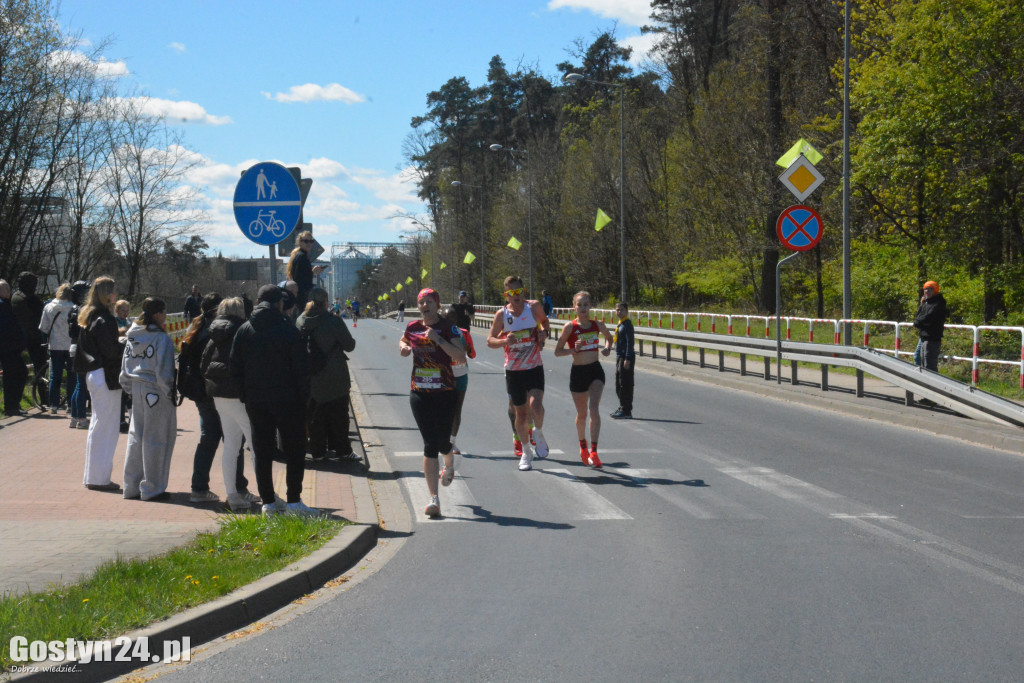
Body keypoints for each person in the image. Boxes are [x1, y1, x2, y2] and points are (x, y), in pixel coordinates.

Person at [230, 284, 318, 517]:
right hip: (289, 400)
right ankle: (294, 502)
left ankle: (268, 503)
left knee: (262, 451)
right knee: (295, 450)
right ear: (279, 303)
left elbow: (234, 367)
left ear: (258, 302)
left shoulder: (244, 330)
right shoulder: (288, 329)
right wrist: (303, 398)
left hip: (256, 400)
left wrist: (245, 395)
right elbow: (302, 369)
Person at [399, 288, 465, 517]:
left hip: (445, 392)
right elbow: (403, 339)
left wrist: (438, 340)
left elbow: (460, 356)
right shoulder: (412, 327)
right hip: (419, 392)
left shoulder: (448, 328)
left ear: (438, 305)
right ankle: (434, 499)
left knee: (442, 442)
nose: (425, 306)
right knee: (429, 444)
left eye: (429, 302)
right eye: (421, 302)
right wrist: (403, 347)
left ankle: (449, 461)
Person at [201, 297, 260, 512]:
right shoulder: (244, 331)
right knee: (256, 445)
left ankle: (232, 495)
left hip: (219, 396)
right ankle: (268, 496)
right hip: (240, 396)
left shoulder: (213, 333)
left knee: (231, 447)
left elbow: (204, 364)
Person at [487, 275, 550, 471]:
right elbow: (490, 340)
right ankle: (526, 451)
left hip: (534, 367)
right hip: (514, 371)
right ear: (506, 295)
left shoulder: (534, 307)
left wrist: (543, 333)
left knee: (536, 407)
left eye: (519, 291)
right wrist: (505, 341)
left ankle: (538, 432)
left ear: (524, 291)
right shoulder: (502, 315)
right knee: (521, 413)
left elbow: (545, 322)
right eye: (511, 293)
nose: (516, 296)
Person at [120, 298, 176, 501]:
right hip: (156, 390)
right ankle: (152, 487)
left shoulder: (133, 336)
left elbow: (125, 365)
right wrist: (169, 392)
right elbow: (164, 371)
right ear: (158, 314)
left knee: (136, 436)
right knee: (156, 438)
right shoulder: (161, 339)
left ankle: (131, 486)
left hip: (136, 387)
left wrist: (128, 387)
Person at [178, 293, 228, 503]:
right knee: (232, 439)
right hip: (214, 391)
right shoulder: (215, 331)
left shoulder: (195, 328)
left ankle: (199, 488)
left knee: (208, 437)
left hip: (198, 391)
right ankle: (237, 488)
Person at [554, 291, 614, 468]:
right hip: (578, 372)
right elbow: (557, 352)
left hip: (595, 370)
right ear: (574, 307)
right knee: (582, 414)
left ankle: (594, 451)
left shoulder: (597, 324)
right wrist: (573, 350)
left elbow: (610, 338)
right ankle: (583, 446)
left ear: (590, 306)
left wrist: (607, 348)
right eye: (579, 305)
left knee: (593, 409)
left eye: (586, 305)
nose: (583, 308)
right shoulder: (570, 327)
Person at [296, 287, 357, 461]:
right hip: (335, 376)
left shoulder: (300, 320)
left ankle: (318, 453)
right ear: (325, 302)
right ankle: (343, 451)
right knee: (339, 416)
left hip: (311, 377)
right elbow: (350, 346)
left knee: (315, 417)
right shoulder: (333, 321)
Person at [77, 276, 124, 491]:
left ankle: (93, 475)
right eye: (114, 291)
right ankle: (99, 478)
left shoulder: (89, 314)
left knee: (98, 425)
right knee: (107, 427)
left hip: (93, 373)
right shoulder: (105, 318)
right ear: (108, 294)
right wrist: (124, 345)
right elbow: (110, 350)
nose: (116, 294)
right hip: (105, 374)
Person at [39, 283, 76, 415]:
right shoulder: (74, 308)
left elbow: (43, 327)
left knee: (55, 376)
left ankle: (53, 404)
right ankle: (71, 404)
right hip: (71, 345)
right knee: (72, 376)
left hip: (55, 345)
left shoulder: (49, 307)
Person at [444, 305, 476, 457]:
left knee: (457, 409)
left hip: (461, 374)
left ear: (456, 320)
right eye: (446, 319)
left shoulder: (463, 333)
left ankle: (452, 441)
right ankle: (443, 439)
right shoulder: (438, 333)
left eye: (452, 319)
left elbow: (473, 354)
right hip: (444, 376)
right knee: (444, 409)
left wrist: (467, 349)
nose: (449, 321)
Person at [0, 279, 28, 418]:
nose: (8, 291)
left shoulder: (6, 304)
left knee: (15, 374)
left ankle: (13, 405)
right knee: (16, 374)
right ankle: (12, 406)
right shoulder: (2, 306)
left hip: (11, 347)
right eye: (5, 289)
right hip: (8, 347)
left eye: (8, 288)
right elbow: (8, 328)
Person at [67, 281, 92, 428]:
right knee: (82, 385)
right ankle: (81, 418)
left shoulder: (73, 309)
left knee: (79, 384)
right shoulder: (83, 310)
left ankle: (74, 417)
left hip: (74, 346)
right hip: (81, 348)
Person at [12, 271, 46, 376]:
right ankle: (40, 383)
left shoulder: (27, 297)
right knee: (39, 365)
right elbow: (30, 319)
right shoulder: (22, 298)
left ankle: (40, 382)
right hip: (31, 337)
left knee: (40, 364)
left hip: (33, 336)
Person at [913, 280, 948, 373]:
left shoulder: (938, 304)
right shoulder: (926, 303)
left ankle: (934, 382)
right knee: (921, 361)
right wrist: (921, 305)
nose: (926, 291)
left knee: (929, 365)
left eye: (929, 289)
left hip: (932, 338)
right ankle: (920, 379)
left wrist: (918, 322)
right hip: (924, 337)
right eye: (925, 289)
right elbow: (918, 317)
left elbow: (927, 319)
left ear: (935, 291)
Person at [286, 231, 325, 310]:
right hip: (302, 298)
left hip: (302, 297)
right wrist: (312, 273)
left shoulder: (301, 255)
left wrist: (313, 272)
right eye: (306, 241)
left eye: (311, 241)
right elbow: (299, 279)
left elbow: (302, 275)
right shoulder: (301, 256)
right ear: (300, 242)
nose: (309, 243)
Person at [611, 301, 636, 419]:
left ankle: (626, 410)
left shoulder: (627, 325)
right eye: (617, 310)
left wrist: (627, 358)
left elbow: (630, 343)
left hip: (625, 357)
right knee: (619, 383)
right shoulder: (620, 324)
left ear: (626, 311)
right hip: (619, 356)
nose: (619, 312)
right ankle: (622, 407)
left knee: (625, 384)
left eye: (621, 310)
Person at [114, 300, 132, 432]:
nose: (125, 313)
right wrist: (124, 332)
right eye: (122, 311)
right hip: (117, 356)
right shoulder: (114, 321)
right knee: (120, 392)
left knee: (127, 392)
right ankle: (119, 419)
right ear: (117, 311)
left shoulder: (129, 322)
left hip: (127, 356)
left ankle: (130, 418)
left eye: (127, 311)